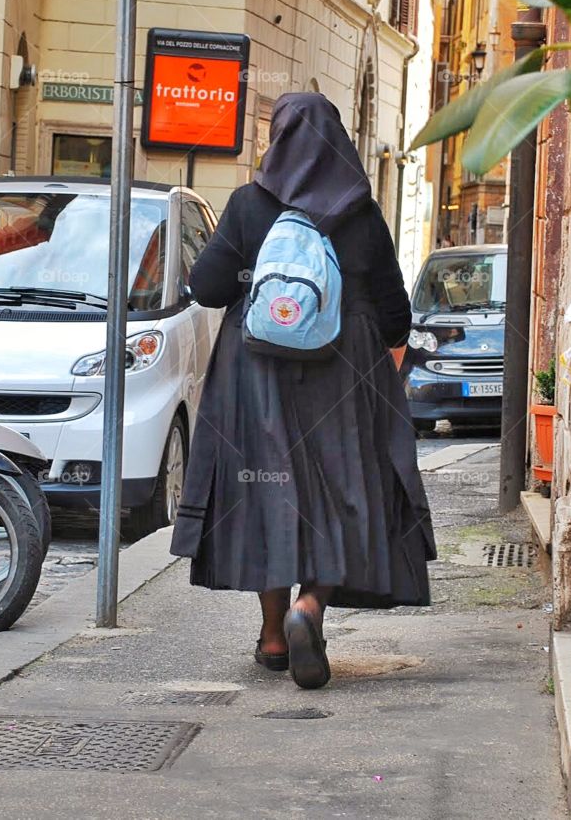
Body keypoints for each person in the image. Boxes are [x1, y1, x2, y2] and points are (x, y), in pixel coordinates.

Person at [170, 91, 436, 689]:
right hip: (346, 376)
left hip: (255, 374)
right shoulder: (360, 212)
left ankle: (270, 636)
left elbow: (208, 288)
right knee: (343, 494)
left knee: (268, 496)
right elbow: (396, 315)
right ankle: (309, 608)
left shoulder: (247, 205)